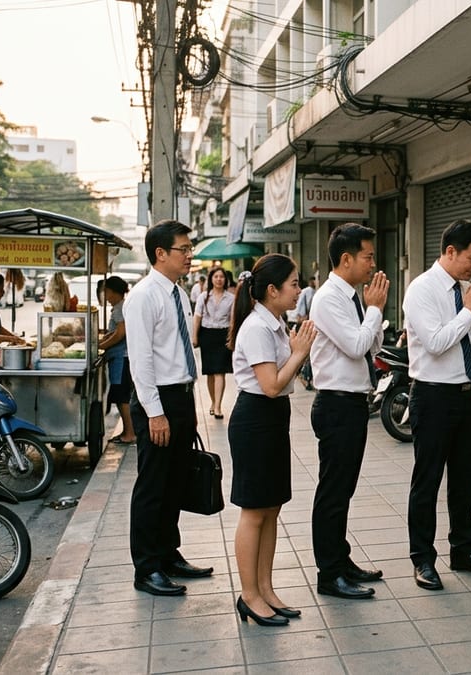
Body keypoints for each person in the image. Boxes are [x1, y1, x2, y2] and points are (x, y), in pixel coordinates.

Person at [402, 219, 471, 591]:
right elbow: (435, 342)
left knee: (464, 478)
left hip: (466, 393)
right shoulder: (421, 290)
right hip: (432, 395)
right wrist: (467, 311)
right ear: (450, 252)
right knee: (426, 481)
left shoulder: (466, 291)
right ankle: (423, 560)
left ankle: (464, 549)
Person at [124, 219, 215, 597]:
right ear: (160, 253)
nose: (190, 255)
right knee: (153, 484)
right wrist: (155, 412)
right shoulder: (144, 296)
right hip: (156, 398)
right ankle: (147, 568)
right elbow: (141, 361)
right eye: (184, 249)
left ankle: (168, 553)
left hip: (180, 395)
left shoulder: (179, 293)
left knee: (175, 479)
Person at [227, 255, 316, 626]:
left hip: (272, 419)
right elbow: (272, 385)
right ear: (272, 290)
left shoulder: (275, 323)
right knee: (254, 511)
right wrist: (299, 354)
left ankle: (265, 588)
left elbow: (284, 385)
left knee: (272, 508)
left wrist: (295, 353)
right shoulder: (257, 328)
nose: (299, 290)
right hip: (255, 420)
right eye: (294, 284)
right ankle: (249, 595)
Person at [309, 224, 388, 600]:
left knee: (345, 489)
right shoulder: (329, 298)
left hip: (353, 402)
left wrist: (372, 312)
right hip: (336, 402)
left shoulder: (353, 296)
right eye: (368, 257)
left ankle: (341, 560)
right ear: (346, 259)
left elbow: (373, 346)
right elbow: (357, 346)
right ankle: (329, 573)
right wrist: (374, 310)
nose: (373, 264)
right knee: (333, 492)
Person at [193, 266, 236, 419]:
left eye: (222, 277)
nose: (219, 279)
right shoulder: (203, 297)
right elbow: (197, 317)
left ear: (226, 280)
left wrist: (232, 338)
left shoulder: (231, 298)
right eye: (216, 277)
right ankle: (213, 402)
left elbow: (232, 321)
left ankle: (218, 406)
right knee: (210, 372)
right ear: (211, 279)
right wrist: (195, 336)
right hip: (207, 335)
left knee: (220, 371)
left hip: (223, 335)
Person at [100, 276, 136, 445]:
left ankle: (130, 433)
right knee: (120, 396)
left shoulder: (120, 308)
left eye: (106, 292)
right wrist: (101, 341)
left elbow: (121, 333)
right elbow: (114, 331)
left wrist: (103, 345)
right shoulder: (119, 307)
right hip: (119, 358)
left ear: (114, 292)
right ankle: (127, 431)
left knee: (122, 397)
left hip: (122, 358)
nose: (105, 296)